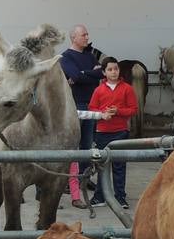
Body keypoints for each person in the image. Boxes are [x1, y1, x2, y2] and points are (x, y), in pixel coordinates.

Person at [59, 25, 104, 208]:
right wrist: (87, 74)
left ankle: (84, 179)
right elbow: (75, 75)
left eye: (87, 34)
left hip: (91, 105)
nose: (87, 37)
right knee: (72, 146)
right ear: (73, 37)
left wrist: (86, 74)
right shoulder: (66, 57)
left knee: (87, 144)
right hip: (75, 106)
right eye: (84, 35)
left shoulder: (90, 55)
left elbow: (99, 74)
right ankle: (68, 182)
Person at [87, 58, 137, 210]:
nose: (113, 72)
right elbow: (91, 108)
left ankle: (120, 197)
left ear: (119, 70)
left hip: (121, 132)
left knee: (119, 166)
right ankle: (99, 197)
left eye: (116, 69)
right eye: (110, 70)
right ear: (104, 72)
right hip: (102, 132)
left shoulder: (127, 88)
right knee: (102, 166)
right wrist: (102, 113)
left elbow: (133, 109)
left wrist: (118, 111)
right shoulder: (98, 90)